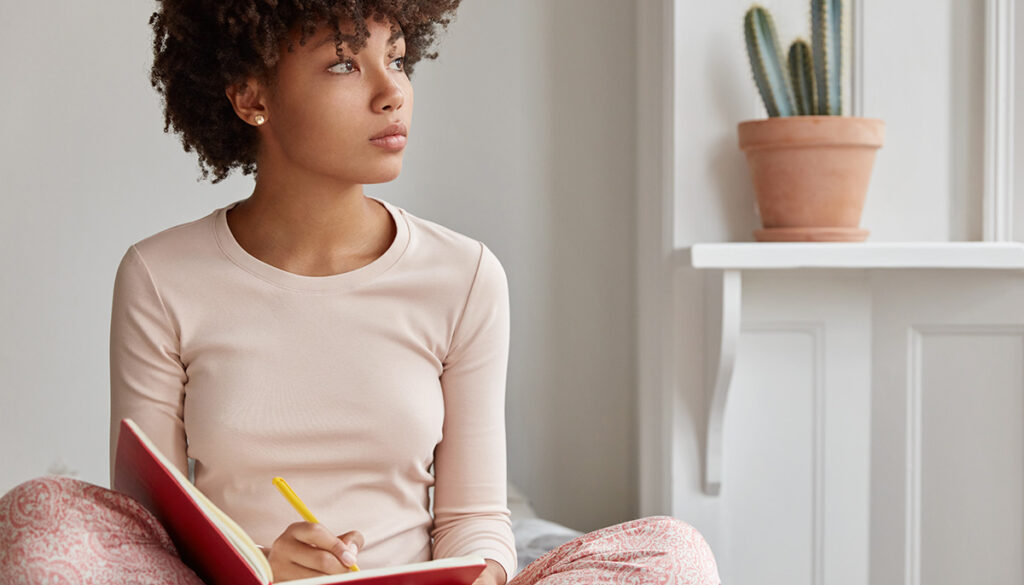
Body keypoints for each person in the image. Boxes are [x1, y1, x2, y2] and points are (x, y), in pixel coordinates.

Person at [0, 2, 722, 584]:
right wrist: (263, 565)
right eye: (346, 62)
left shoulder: (464, 275)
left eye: (398, 58)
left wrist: (481, 574)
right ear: (252, 95)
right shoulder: (160, 275)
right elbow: (149, 530)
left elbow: (474, 519)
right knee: (40, 515)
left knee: (674, 556)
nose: (392, 91)